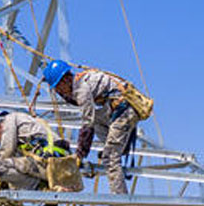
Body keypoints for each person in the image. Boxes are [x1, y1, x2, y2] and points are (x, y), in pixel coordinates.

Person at [43, 59, 140, 195]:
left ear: (64, 81)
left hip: (124, 111)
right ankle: (118, 147)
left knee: (110, 158)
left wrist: (80, 154)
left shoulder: (81, 89)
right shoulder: (79, 82)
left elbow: (87, 123)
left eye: (58, 88)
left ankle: (121, 205)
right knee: (96, 120)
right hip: (117, 110)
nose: (59, 93)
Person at [0, 110, 71, 190]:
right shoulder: (24, 128)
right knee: (14, 168)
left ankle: (40, 186)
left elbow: (7, 151)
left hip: (48, 161)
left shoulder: (9, 120)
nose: (1, 140)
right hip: (59, 165)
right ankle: (44, 185)